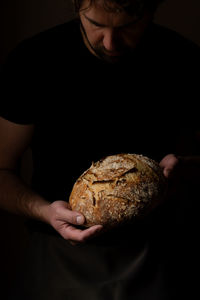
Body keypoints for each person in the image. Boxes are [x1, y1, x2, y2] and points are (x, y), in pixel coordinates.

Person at [0, 0, 199, 299]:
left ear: (151, 9)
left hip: (158, 257)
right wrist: (45, 212)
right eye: (95, 24)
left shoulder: (184, 59)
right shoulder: (33, 61)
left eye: (127, 27)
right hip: (59, 258)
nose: (110, 42)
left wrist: (186, 168)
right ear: (76, 6)